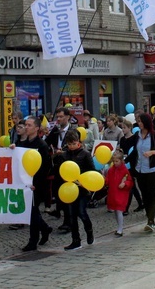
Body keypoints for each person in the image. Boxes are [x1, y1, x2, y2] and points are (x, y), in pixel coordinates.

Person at [15, 116, 53, 251]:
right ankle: (45, 228)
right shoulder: (23, 143)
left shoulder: (41, 145)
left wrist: (36, 183)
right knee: (32, 211)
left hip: (36, 185)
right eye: (26, 125)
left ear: (37, 128)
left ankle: (33, 241)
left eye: (29, 125)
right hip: (25, 183)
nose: (26, 127)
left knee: (32, 211)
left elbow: (45, 167)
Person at [54, 129, 95, 250]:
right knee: (72, 215)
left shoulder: (85, 154)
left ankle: (89, 230)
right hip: (69, 189)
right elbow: (59, 170)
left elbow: (92, 170)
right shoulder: (65, 154)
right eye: (69, 144)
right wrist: (56, 157)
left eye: (74, 143)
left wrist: (85, 183)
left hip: (82, 189)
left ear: (79, 143)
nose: (71, 146)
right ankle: (75, 240)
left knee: (82, 212)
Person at [134, 112, 155, 232]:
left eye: (141, 121)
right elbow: (135, 151)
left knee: (151, 194)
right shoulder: (137, 135)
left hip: (153, 169)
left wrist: (152, 152)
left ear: (146, 122)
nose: (139, 123)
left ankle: (151, 221)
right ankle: (149, 215)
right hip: (140, 169)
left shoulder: (154, 135)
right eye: (138, 121)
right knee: (145, 195)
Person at [46, 107, 72, 229]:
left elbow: (75, 147)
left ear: (68, 117)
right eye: (58, 117)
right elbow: (47, 143)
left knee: (66, 193)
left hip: (68, 166)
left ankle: (68, 221)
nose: (59, 119)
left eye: (61, 117)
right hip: (57, 165)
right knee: (57, 191)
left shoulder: (73, 131)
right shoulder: (56, 130)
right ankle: (58, 210)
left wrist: (64, 152)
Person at [105, 149, 133, 236]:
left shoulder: (124, 170)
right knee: (115, 211)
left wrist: (124, 184)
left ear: (121, 161)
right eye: (114, 161)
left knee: (119, 210)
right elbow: (108, 181)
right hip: (113, 193)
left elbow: (130, 181)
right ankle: (119, 227)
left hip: (121, 193)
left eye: (117, 161)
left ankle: (120, 229)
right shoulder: (110, 170)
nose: (115, 163)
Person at [119, 119, 144, 214]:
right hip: (125, 163)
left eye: (124, 128)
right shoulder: (122, 139)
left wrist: (127, 159)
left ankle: (126, 208)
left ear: (130, 128)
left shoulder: (135, 138)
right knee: (131, 185)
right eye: (122, 128)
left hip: (133, 163)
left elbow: (135, 151)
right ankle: (140, 204)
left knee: (130, 185)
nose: (123, 129)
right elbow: (122, 150)